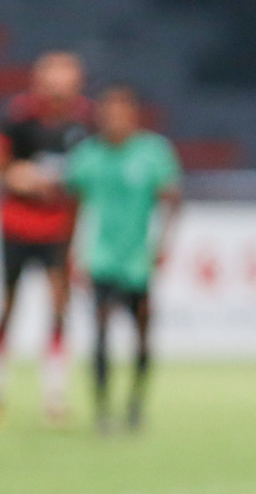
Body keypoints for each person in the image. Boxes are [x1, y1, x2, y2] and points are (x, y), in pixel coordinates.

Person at [65, 86, 183, 432]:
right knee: (100, 332)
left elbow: (172, 198)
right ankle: (102, 410)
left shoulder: (153, 153)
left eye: (121, 113)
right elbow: (74, 206)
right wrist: (72, 251)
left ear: (133, 116)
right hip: (101, 257)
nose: (114, 120)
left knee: (142, 334)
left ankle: (135, 405)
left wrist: (162, 244)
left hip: (137, 259)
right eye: (108, 113)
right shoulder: (88, 155)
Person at [0, 51, 92, 422]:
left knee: (59, 307)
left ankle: (54, 394)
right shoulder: (19, 117)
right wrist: (17, 177)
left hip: (59, 228)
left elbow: (85, 176)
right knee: (10, 306)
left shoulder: (83, 123)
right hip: (18, 225)